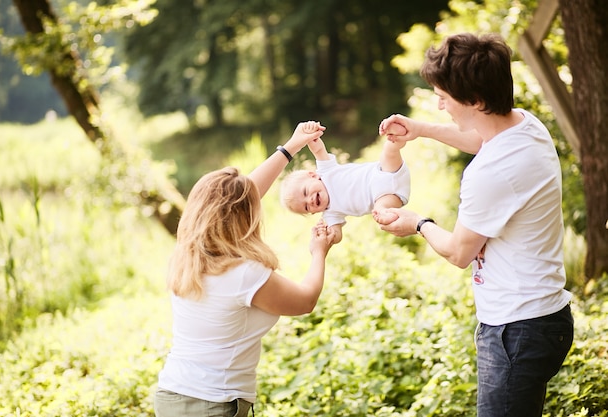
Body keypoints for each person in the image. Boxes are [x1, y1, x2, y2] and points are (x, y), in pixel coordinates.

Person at [377, 33, 573, 417]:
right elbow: (480, 139)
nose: (439, 104)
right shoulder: (525, 127)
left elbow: (459, 252)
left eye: (444, 97)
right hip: (545, 317)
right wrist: (422, 129)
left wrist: (418, 222)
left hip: (515, 329)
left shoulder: (492, 172)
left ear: (476, 101)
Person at [153, 121, 336, 417]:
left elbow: (239, 199)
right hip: (212, 404)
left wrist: (290, 148)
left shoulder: (186, 256)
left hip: (172, 396)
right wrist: (319, 253)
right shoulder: (242, 274)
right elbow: (305, 301)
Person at [279, 126, 411, 244]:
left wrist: (310, 134)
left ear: (313, 176)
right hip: (385, 197)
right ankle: (395, 218)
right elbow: (337, 233)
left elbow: (318, 149)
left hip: (385, 171)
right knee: (381, 211)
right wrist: (330, 236)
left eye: (306, 192)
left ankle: (398, 134)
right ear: (312, 213)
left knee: (389, 151)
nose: (310, 200)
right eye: (307, 207)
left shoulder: (326, 171)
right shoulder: (330, 213)